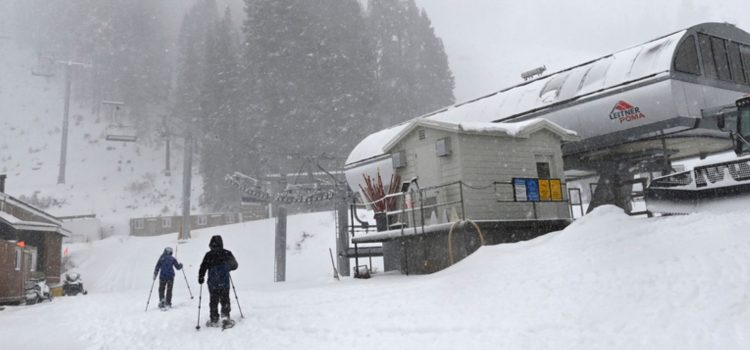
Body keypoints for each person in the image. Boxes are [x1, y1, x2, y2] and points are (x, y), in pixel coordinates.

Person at [198, 235, 238, 327]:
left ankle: (214, 318)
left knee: (213, 300)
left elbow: (203, 267)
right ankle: (225, 317)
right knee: (225, 299)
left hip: (213, 283)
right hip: (224, 282)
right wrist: (228, 267)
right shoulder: (227, 253)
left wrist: (201, 277)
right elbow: (235, 265)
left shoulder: (208, 255)